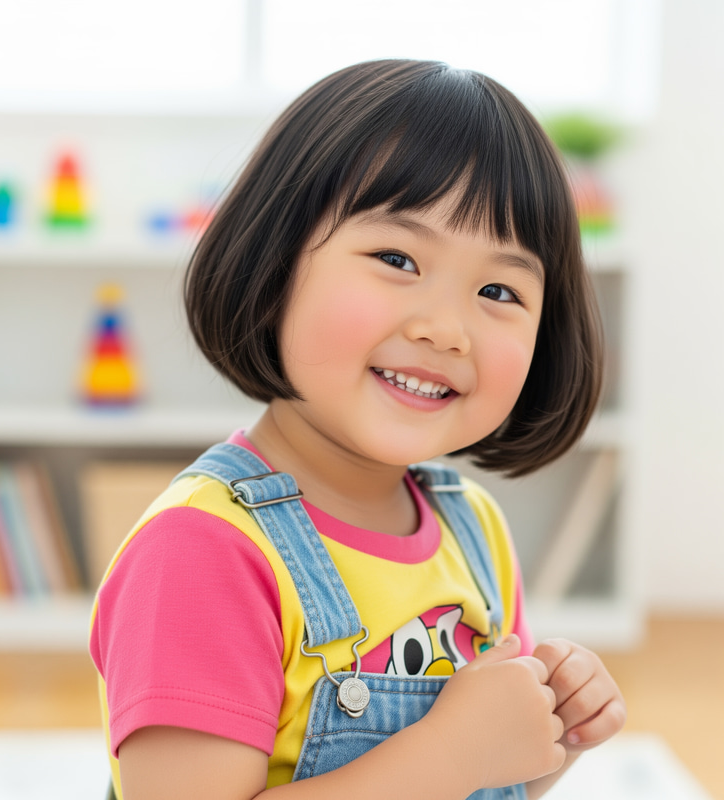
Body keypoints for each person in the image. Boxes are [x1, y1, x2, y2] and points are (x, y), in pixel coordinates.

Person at [89, 59, 626, 799]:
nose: (445, 329)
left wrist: (546, 737)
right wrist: (452, 754)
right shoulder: (203, 551)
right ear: (274, 262)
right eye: (396, 258)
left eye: (499, 290)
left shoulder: (473, 530)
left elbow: (489, 782)